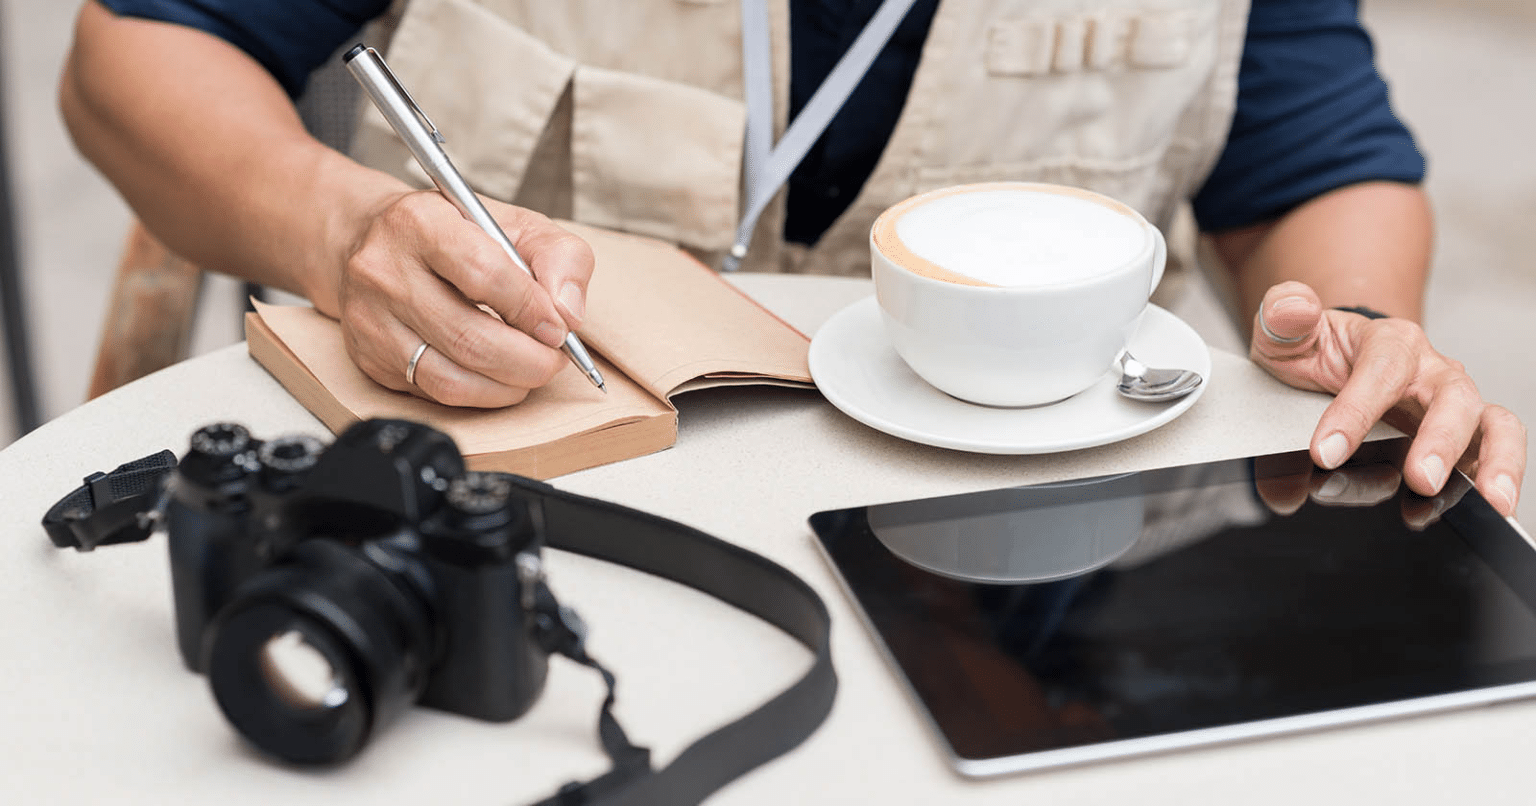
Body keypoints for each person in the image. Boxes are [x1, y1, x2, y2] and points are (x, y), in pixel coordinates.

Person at [59, 0, 1525, 517]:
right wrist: (342, 223)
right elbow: (135, 55)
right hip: (502, 518)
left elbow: (1321, 167)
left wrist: (1352, 318)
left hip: (1005, 576)